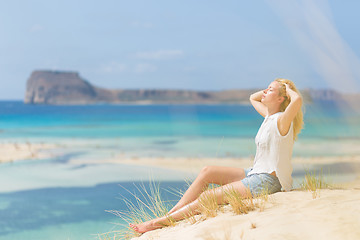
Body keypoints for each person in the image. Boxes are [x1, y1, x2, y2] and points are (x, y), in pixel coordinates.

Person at [130, 78, 304, 233]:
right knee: (208, 171)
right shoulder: (269, 116)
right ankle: (171, 213)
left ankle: (159, 223)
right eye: (266, 88)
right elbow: (253, 97)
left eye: (270, 90)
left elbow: (298, 100)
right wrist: (274, 89)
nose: (265, 91)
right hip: (255, 173)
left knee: (208, 197)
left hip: (268, 180)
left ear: (281, 99)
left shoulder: (282, 120)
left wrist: (287, 89)